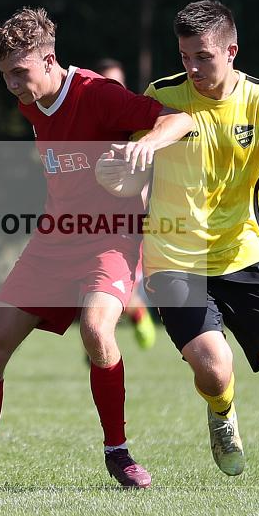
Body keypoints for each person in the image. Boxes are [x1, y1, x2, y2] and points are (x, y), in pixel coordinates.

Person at [98, 0, 259, 492]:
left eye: (203, 57)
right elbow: (130, 169)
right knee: (215, 369)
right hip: (173, 260)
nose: (192, 67)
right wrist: (117, 177)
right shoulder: (161, 97)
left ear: (231, 50)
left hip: (244, 254)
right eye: (185, 56)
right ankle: (221, 411)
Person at [0, 7, 196, 489]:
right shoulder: (30, 101)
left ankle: (117, 452)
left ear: (49, 59)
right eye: (5, 76)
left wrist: (145, 148)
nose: (13, 85)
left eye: (20, 72)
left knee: (96, 331)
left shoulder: (96, 93)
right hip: (53, 240)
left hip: (110, 236)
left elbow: (179, 120)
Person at [94, 58, 157, 351]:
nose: (112, 89)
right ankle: (96, 345)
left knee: (117, 286)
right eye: (105, 82)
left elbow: (145, 175)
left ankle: (139, 316)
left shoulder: (134, 122)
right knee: (90, 293)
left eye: (117, 83)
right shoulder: (89, 123)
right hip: (89, 220)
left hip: (128, 223)